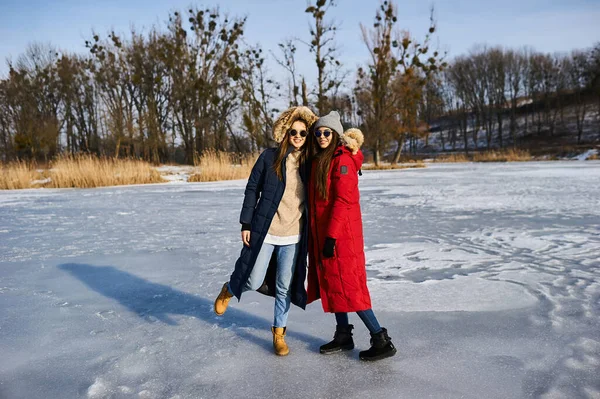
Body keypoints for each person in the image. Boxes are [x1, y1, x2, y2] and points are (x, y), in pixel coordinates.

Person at [213, 106, 318, 356]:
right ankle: (230, 288)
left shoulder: (310, 163)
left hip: (294, 235)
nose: (298, 136)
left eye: (303, 133)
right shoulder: (269, 157)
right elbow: (252, 189)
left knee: (284, 287)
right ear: (285, 132)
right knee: (254, 278)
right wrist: (246, 223)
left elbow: (335, 153)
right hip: (266, 230)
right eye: (293, 131)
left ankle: (279, 334)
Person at [306, 110, 397, 361]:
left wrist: (331, 237)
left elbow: (343, 201)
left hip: (341, 237)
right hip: (326, 234)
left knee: (349, 288)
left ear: (336, 135)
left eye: (327, 132)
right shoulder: (321, 158)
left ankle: (380, 339)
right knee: (335, 285)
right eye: (318, 133)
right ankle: (343, 335)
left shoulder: (342, 160)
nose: (322, 136)